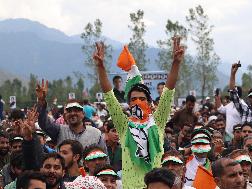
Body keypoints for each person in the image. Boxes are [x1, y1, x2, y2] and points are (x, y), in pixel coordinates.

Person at [94, 37, 184, 189]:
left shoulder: (158, 122)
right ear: (129, 104)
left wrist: (176, 63)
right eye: (134, 99)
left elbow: (168, 92)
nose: (138, 102)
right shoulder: (124, 126)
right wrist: (101, 67)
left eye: (142, 98)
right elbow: (109, 95)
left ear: (149, 103)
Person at [35, 85, 107, 149]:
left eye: (76, 110)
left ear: (83, 114)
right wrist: (41, 102)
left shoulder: (95, 133)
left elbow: (104, 158)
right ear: (65, 115)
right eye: (69, 111)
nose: (72, 113)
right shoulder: (59, 131)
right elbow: (44, 123)